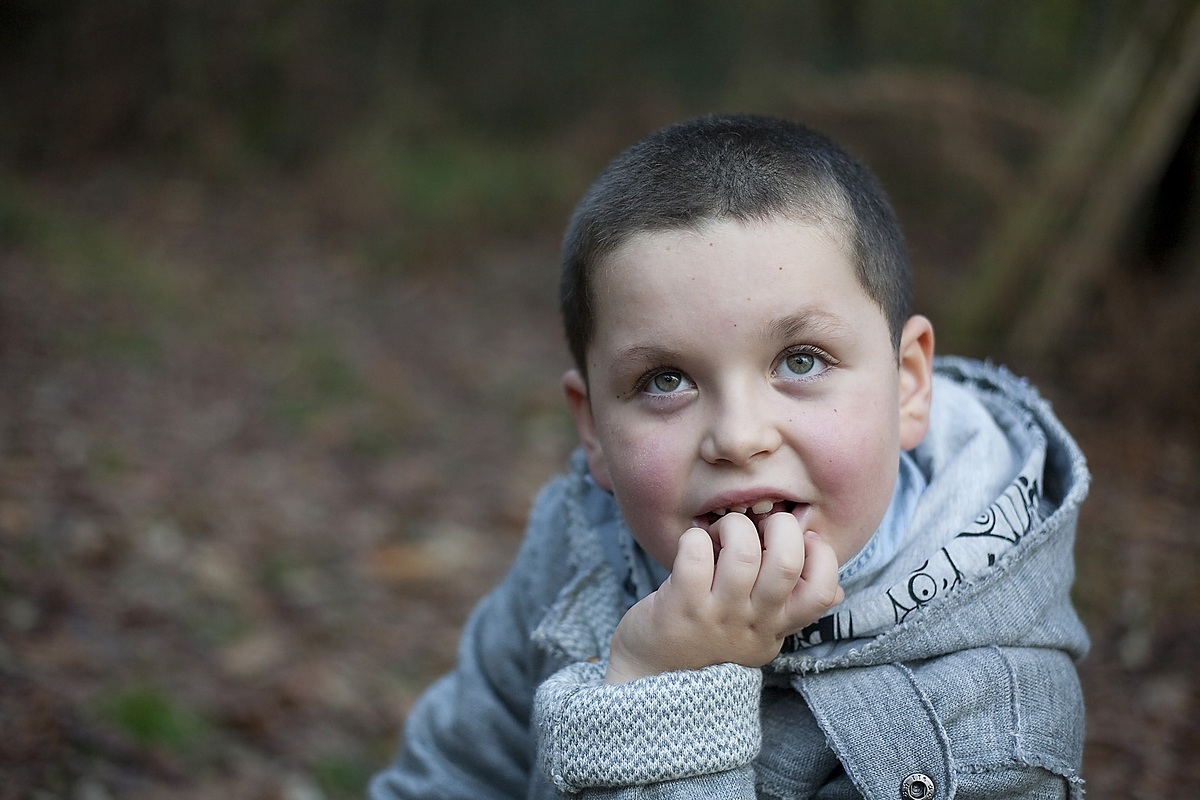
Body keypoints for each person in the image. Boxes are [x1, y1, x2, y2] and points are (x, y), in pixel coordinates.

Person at [369, 114, 1090, 799]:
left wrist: (668, 692)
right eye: (666, 381)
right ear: (592, 432)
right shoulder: (578, 538)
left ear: (907, 386)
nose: (740, 438)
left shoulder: (996, 722)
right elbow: (459, 767)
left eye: (801, 361)